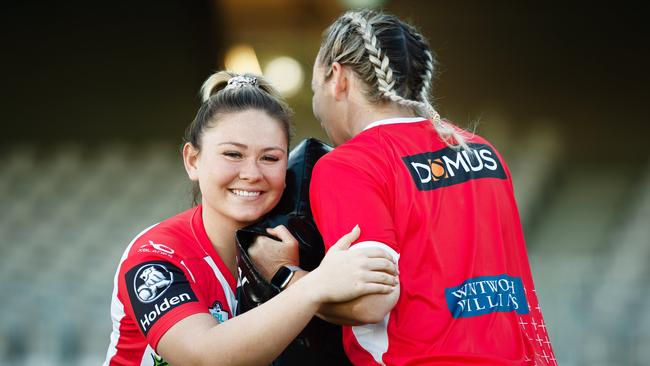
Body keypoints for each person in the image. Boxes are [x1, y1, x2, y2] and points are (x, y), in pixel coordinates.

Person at [249, 9, 557, 366]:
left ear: (338, 78)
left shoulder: (350, 165)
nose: (318, 106)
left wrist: (284, 275)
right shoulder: (483, 151)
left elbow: (370, 302)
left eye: (316, 89)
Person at [103, 71, 399, 366]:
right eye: (233, 154)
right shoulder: (156, 254)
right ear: (193, 160)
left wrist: (286, 273)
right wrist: (308, 284)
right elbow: (201, 356)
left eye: (270, 158)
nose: (252, 174)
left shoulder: (301, 246)